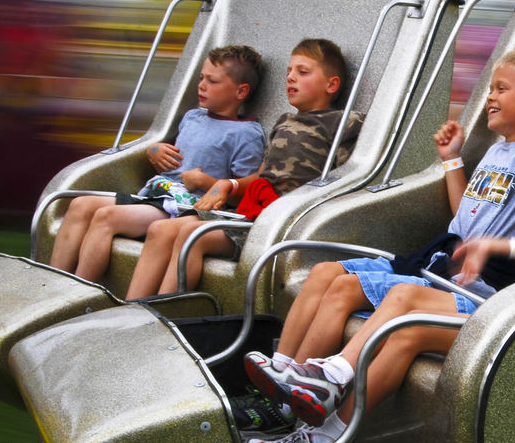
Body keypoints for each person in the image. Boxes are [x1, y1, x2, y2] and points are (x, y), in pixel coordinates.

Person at [242, 39, 515, 443]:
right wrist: (453, 162)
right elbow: (464, 214)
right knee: (324, 273)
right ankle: (285, 392)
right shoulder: (496, 152)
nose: (489, 96)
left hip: (471, 278)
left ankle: (324, 384)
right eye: (489, 87)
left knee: (360, 289)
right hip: (442, 252)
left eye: (500, 89)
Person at [123, 38, 364, 299]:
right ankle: (131, 308)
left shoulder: (340, 124)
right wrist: (231, 184)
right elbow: (261, 175)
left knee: (190, 239)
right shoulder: (284, 122)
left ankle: (162, 312)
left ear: (332, 85)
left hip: (280, 223)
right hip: (250, 213)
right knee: (162, 230)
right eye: (289, 72)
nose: (291, 78)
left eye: (302, 72)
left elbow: (344, 179)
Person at [49, 45, 266, 282]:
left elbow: (244, 196)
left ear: (240, 91)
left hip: (183, 209)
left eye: (212, 81)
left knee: (105, 217)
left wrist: (204, 181)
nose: (201, 85)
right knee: (80, 205)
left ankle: (79, 291)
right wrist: (154, 150)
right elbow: (173, 155)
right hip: (158, 194)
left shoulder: (246, 134)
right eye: (201, 78)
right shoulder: (193, 117)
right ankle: (53, 282)